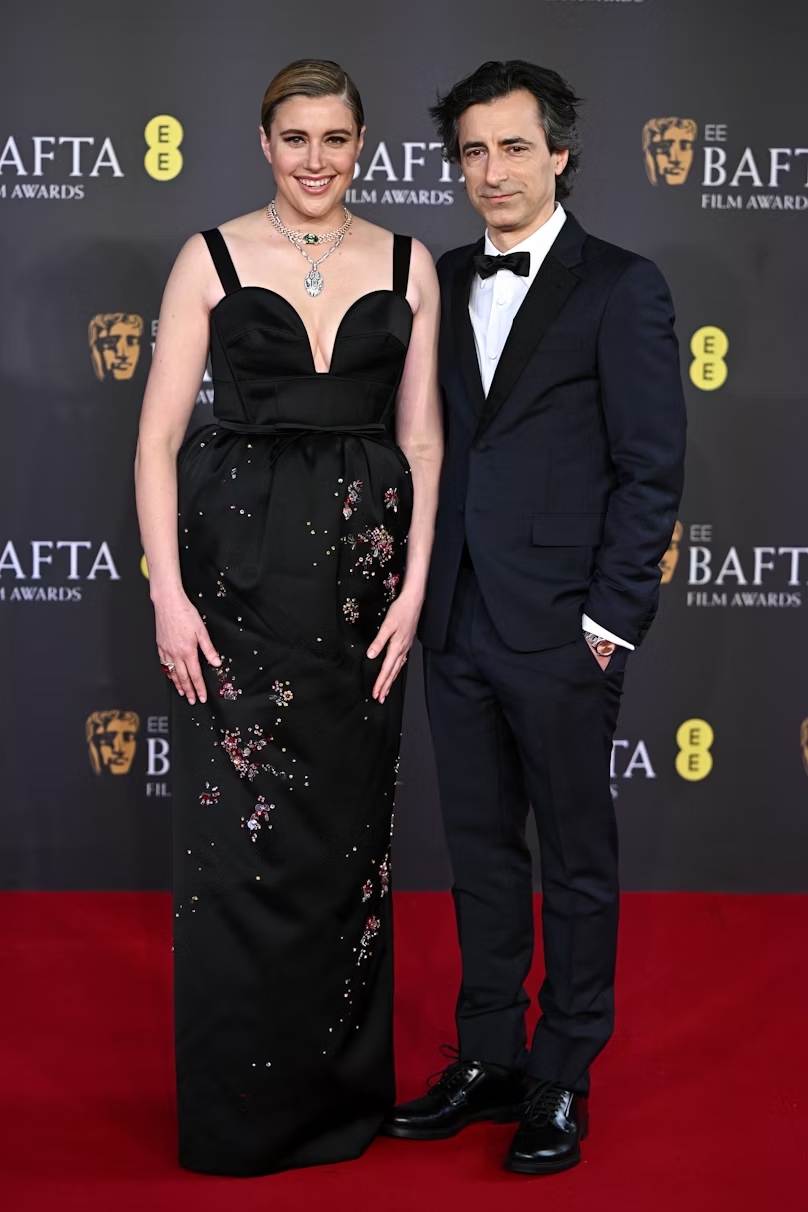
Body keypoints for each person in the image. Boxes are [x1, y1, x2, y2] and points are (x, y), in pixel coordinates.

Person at [134, 58, 441, 1176]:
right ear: (264, 143)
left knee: (345, 852)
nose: (316, 159)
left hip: (364, 597)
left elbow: (421, 439)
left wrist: (415, 586)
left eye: (336, 138)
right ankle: (240, 1114)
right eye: (296, 137)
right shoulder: (208, 257)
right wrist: (168, 595)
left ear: (363, 145)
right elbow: (157, 438)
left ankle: (334, 1102)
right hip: (234, 589)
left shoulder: (407, 263)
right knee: (237, 852)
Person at [383, 60, 686, 1174]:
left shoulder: (622, 286)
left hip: (563, 626)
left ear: (559, 154)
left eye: (513, 147)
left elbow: (651, 468)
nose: (492, 171)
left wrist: (610, 621)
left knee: (575, 861)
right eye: (472, 151)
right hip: (456, 617)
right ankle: (489, 1056)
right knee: (478, 854)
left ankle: (562, 1074)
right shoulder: (437, 277)